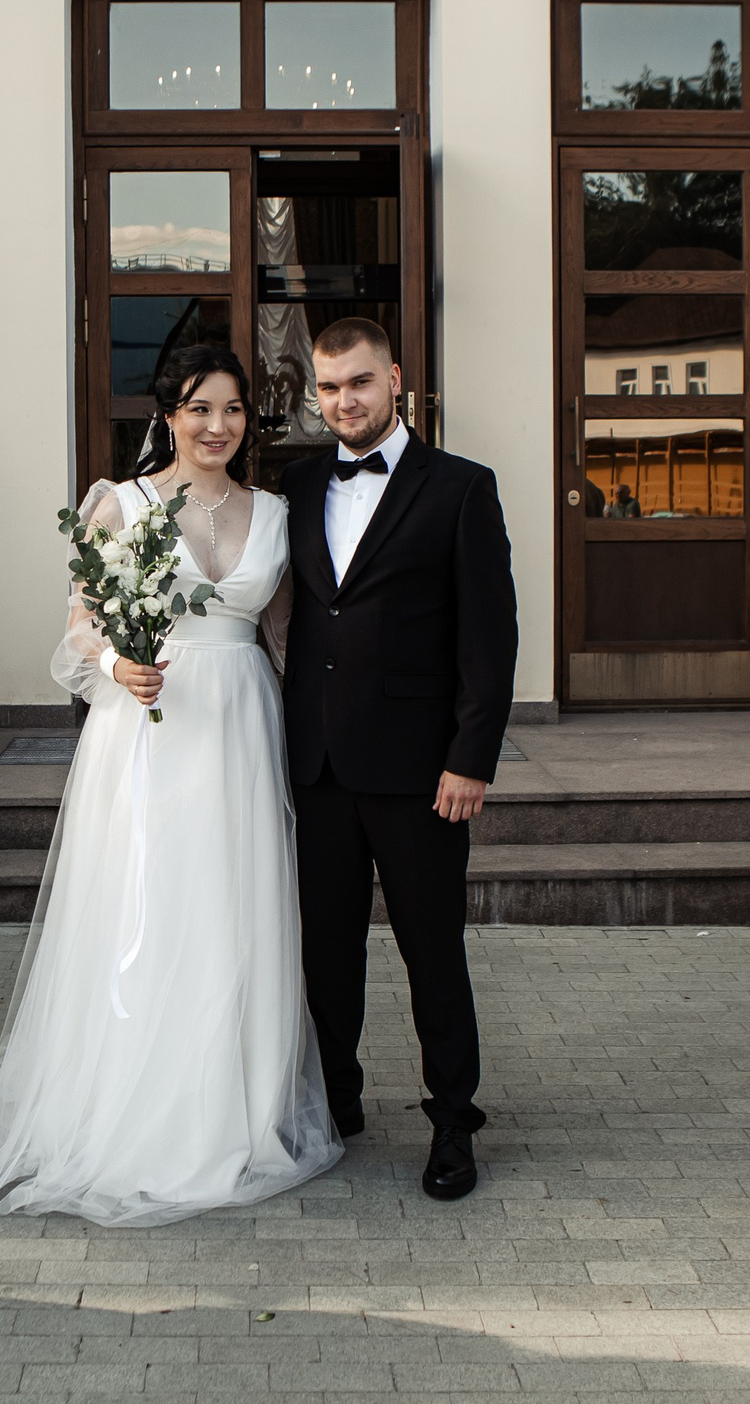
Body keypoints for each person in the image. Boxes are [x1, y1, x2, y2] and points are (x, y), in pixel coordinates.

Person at [0, 345, 340, 1224]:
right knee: (150, 907)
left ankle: (231, 1112)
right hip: (149, 734)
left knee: (234, 910)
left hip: (242, 727)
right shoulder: (119, 505)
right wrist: (116, 661)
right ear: (168, 412)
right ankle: (135, 1110)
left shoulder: (276, 513)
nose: (218, 426)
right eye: (201, 408)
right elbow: (77, 631)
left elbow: (287, 641)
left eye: (235, 410)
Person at [282, 318, 517, 1200]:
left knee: (433, 951)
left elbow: (489, 639)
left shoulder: (460, 488)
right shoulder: (298, 486)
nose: (345, 400)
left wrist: (471, 757)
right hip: (318, 765)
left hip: (423, 773)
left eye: (361, 383)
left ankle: (454, 1119)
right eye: (331, 386)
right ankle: (336, 1103)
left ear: (398, 381)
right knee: (325, 952)